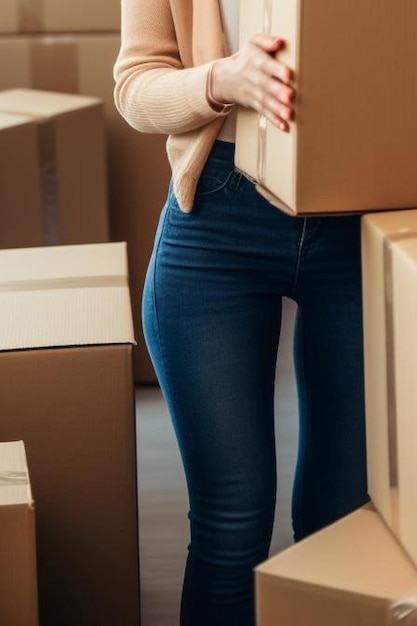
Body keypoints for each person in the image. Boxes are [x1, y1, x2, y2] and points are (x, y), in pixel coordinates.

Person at [113, 1, 369, 624]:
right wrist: (220, 79)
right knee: (232, 522)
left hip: (363, 213)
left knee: (344, 520)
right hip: (218, 219)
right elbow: (134, 85)